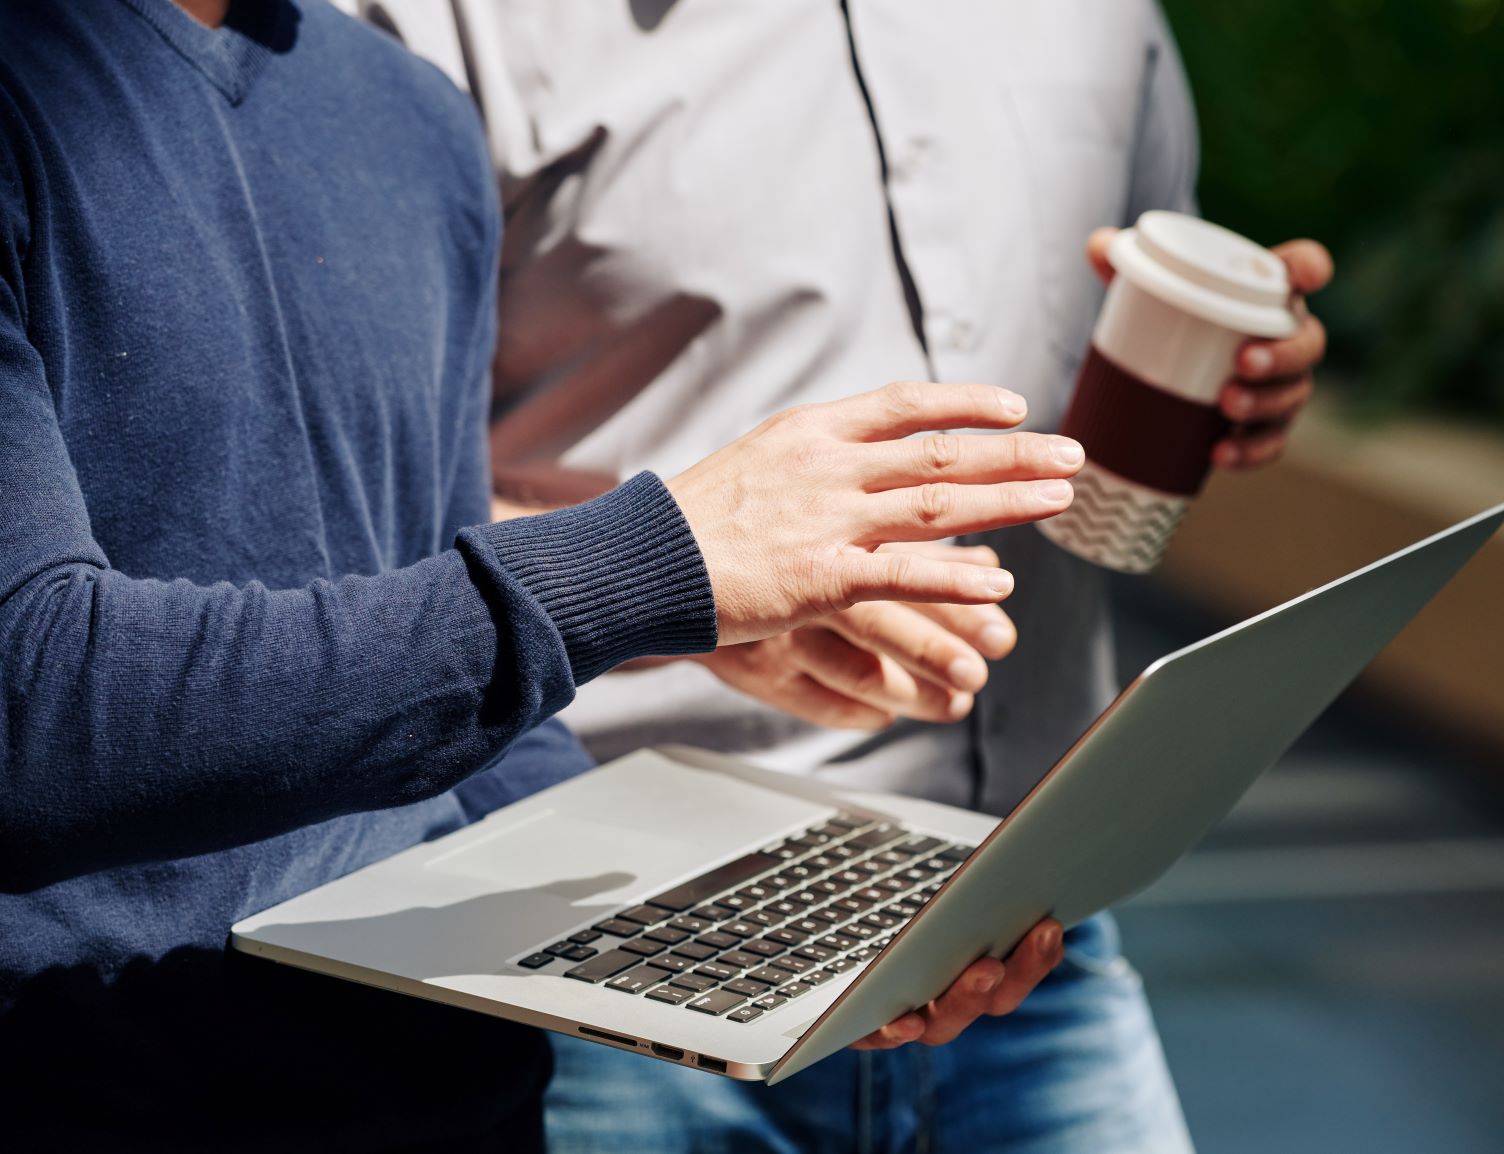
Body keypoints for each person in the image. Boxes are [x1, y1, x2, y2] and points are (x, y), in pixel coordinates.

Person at [0, 2, 1084, 1149]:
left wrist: (728, 943)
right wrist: (658, 556)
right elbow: (34, 707)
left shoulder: (409, 115)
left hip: (466, 1101)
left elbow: (458, 691)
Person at [356, 1, 1335, 1150]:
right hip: (618, 955)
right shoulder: (438, 23)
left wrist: (1231, 370)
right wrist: (680, 593)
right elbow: (338, 497)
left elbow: (1136, 294)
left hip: (1026, 921)